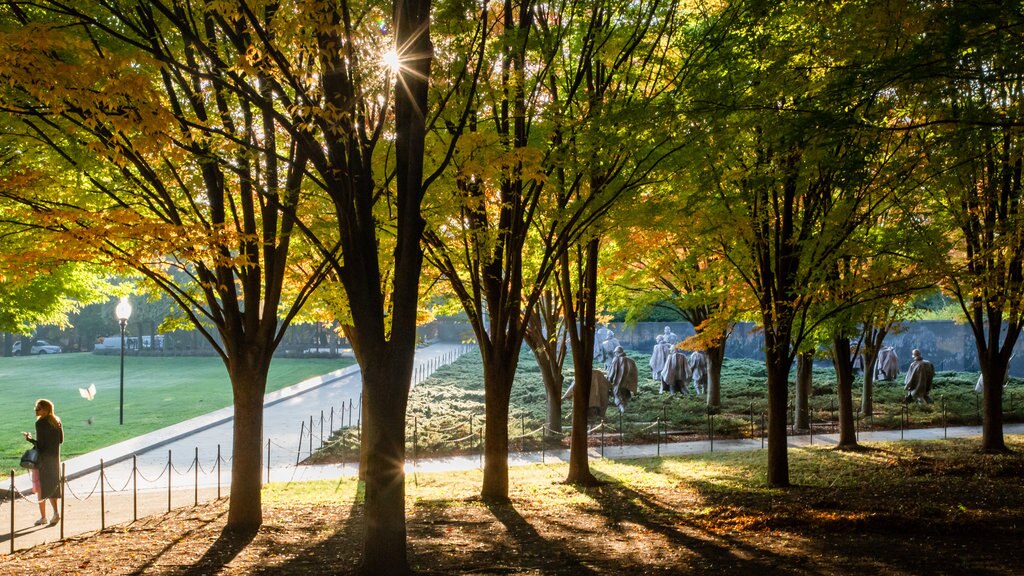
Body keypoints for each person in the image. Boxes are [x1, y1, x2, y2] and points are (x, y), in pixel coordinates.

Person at [23, 399, 63, 527]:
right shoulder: (57, 421)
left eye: (38, 408)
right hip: (55, 459)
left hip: (43, 460)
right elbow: (60, 440)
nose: (36, 410)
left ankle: (43, 517)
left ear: (45, 409)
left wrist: (30, 439)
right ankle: (56, 513)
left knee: (41, 487)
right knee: (52, 486)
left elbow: (40, 445)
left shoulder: (40, 423)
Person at [606, 346, 639, 413]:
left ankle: (622, 409)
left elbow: (612, 372)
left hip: (618, 383)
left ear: (617, 353)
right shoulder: (631, 361)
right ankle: (625, 410)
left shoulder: (616, 360)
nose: (615, 354)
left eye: (615, 353)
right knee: (625, 396)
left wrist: (608, 381)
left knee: (617, 396)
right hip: (627, 384)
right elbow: (634, 374)